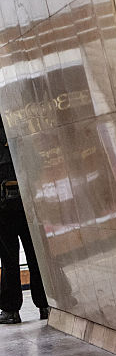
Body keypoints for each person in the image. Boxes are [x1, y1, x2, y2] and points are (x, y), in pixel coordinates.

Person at [0, 119, 49, 325]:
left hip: (3, 209)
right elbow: (37, 165)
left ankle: (11, 311)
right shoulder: (19, 133)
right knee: (36, 255)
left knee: (10, 259)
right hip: (28, 205)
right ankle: (45, 305)